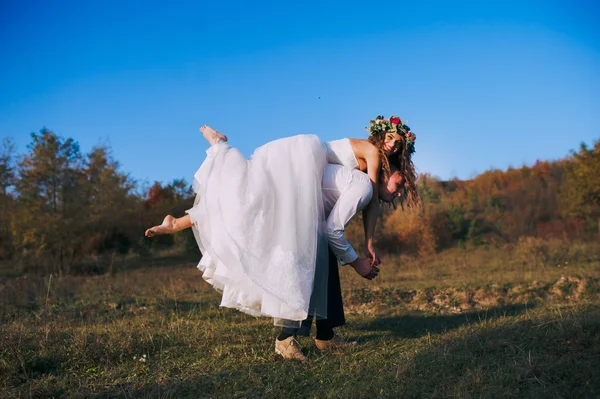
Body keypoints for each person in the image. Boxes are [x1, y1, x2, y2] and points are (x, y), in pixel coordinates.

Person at [145, 118, 418, 327]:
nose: (393, 146)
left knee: (249, 202)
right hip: (304, 162)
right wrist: (360, 253)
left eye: (398, 145)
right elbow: (368, 198)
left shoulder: (372, 168)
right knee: (248, 192)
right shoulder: (371, 152)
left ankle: (177, 222)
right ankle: (220, 147)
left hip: (309, 174)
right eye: (391, 139)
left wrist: (369, 242)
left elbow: (366, 202)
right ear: (381, 134)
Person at [274, 163, 406, 361]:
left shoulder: (364, 187)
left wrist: (366, 245)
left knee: (326, 262)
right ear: (383, 176)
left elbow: (331, 228)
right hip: (294, 211)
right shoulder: (363, 187)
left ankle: (325, 336)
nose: (400, 193)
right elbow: (333, 230)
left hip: (310, 216)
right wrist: (356, 263)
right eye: (400, 183)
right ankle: (284, 339)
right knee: (309, 275)